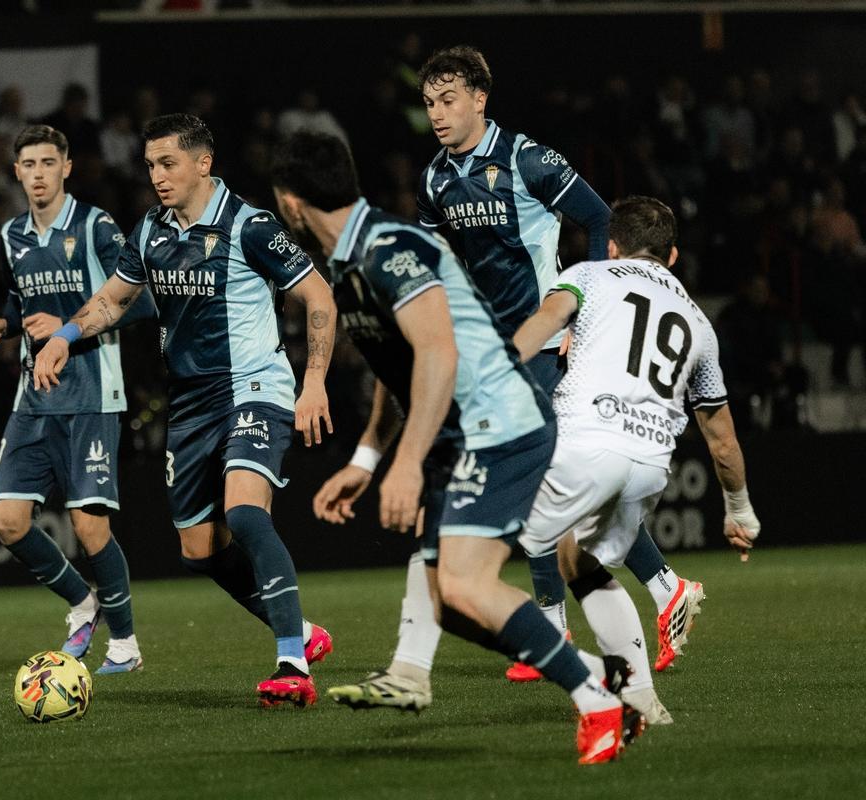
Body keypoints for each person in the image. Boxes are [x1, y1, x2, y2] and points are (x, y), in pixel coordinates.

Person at [269, 131, 642, 763]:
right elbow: (402, 370)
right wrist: (367, 459)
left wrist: (408, 463)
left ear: (290, 202)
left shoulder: (391, 246)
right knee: (456, 606)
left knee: (467, 588)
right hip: (463, 431)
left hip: (500, 423)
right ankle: (600, 677)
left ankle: (597, 700)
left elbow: (438, 351)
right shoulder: (350, 260)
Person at [32, 113, 337, 707]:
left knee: (246, 515)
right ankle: (301, 629)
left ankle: (292, 664)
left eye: (167, 163)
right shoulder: (150, 230)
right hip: (192, 405)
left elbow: (317, 291)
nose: (157, 176)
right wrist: (67, 334)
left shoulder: (249, 226)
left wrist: (315, 380)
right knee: (199, 551)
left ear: (204, 163)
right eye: (149, 165)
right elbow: (115, 299)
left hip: (253, 387)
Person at [416, 45, 700, 678]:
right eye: (430, 102)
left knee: (539, 486)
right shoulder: (435, 177)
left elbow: (598, 218)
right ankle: (663, 588)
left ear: (479, 100)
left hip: (541, 348)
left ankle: (552, 626)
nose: (437, 113)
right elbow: (436, 260)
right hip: (491, 355)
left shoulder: (526, 158)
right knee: (553, 492)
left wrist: (584, 312)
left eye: (449, 99)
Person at [512, 196, 762, 724]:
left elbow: (547, 319)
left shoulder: (590, 275)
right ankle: (642, 694)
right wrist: (739, 510)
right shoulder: (699, 322)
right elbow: (721, 438)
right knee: (581, 562)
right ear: (672, 256)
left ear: (611, 245)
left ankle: (580, 672)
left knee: (470, 563)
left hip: (585, 439)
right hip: (649, 463)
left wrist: (500, 368)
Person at [0, 125, 150, 675]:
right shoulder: (11, 235)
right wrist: (3, 324)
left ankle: (124, 644)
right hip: (33, 397)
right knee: (7, 521)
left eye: (49, 162)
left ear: (68, 167)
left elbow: (140, 300)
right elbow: (21, 297)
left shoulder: (95, 226)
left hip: (92, 393)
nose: (39, 174)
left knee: (89, 528)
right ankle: (82, 601)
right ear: (17, 172)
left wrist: (67, 326)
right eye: (28, 164)